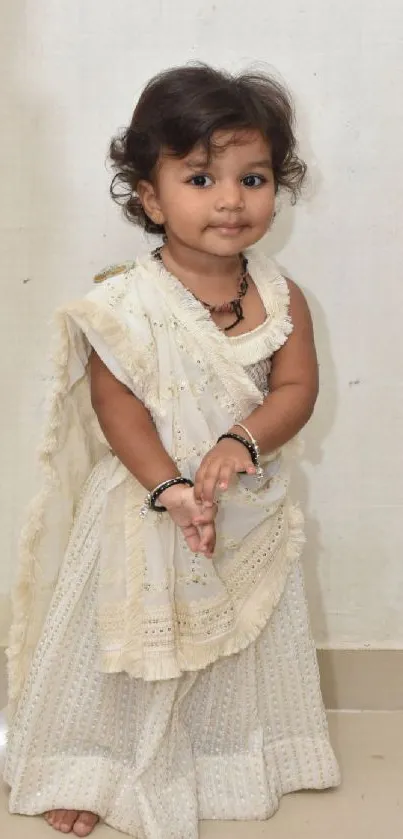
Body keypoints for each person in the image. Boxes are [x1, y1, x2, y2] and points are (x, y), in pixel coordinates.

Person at [3, 63, 340, 838]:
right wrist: (169, 487)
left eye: (251, 176)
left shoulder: (281, 297)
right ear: (151, 197)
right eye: (199, 177)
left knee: (230, 650)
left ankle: (230, 760)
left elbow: (294, 388)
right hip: (148, 510)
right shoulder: (125, 301)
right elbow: (114, 403)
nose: (229, 199)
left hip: (241, 507)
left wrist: (238, 440)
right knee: (124, 656)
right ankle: (95, 765)